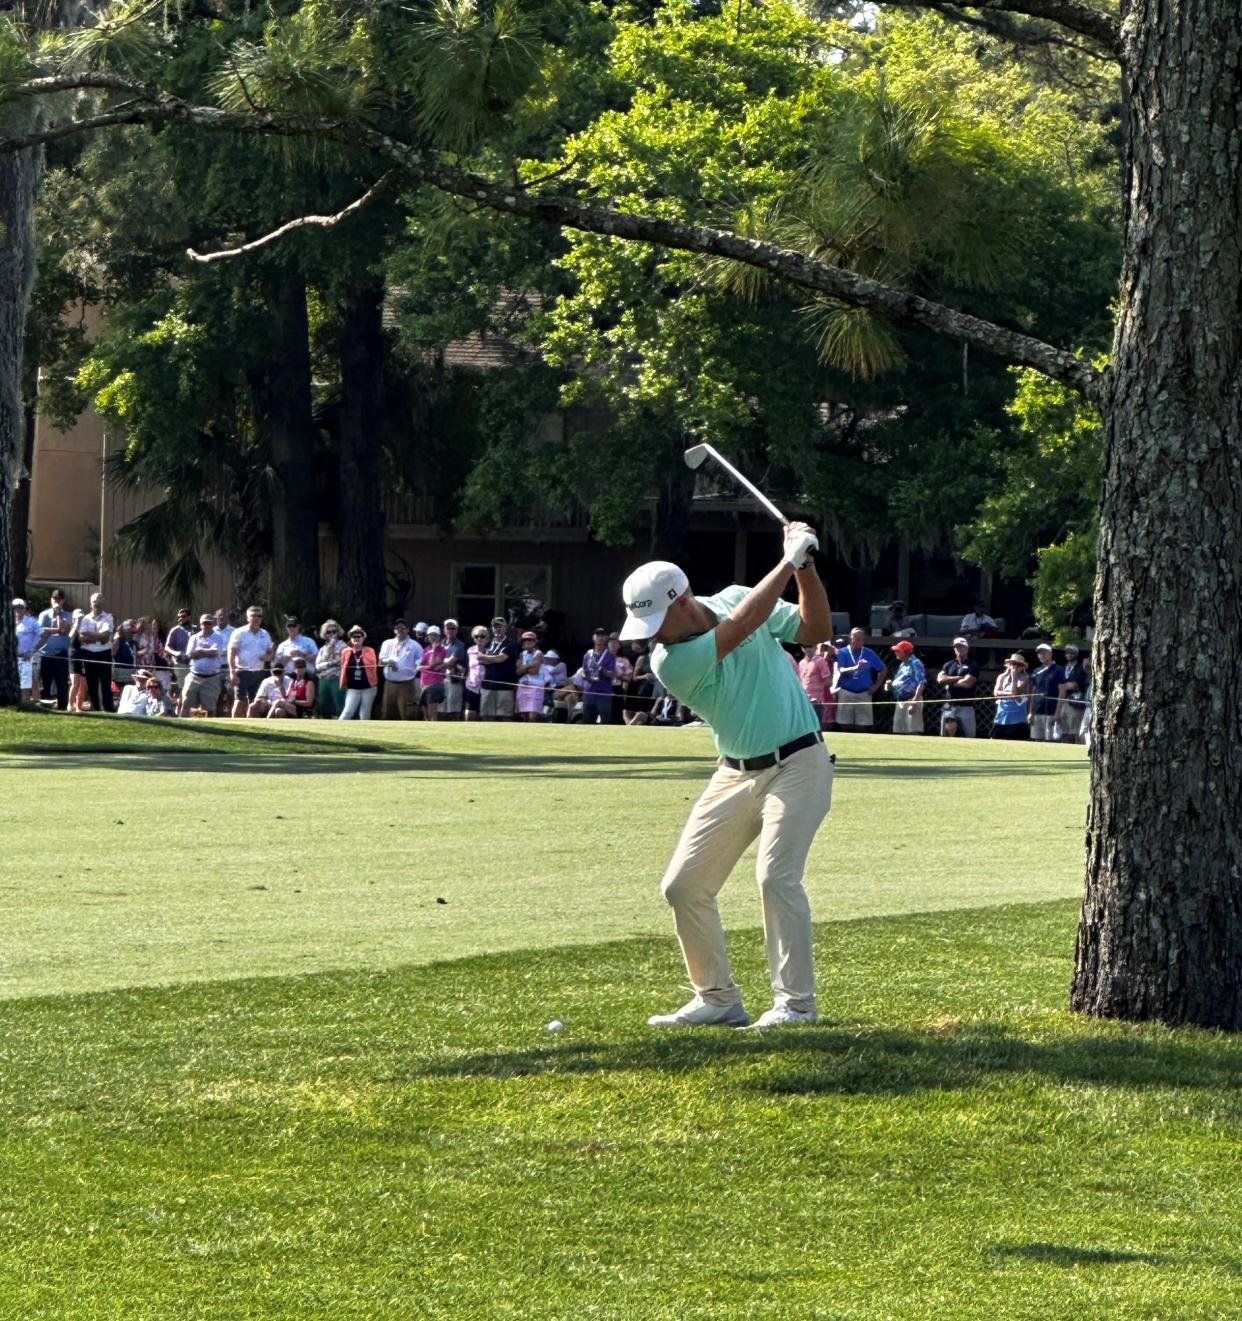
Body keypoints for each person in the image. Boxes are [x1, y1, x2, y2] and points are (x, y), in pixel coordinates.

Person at [619, 520, 833, 1030]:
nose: (651, 637)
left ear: (681, 600)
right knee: (683, 885)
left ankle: (796, 1005)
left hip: (801, 762)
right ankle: (717, 998)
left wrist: (805, 568)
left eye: (655, 622)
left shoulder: (739, 594)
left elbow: (815, 629)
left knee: (775, 876)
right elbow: (738, 626)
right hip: (734, 774)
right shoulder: (670, 661)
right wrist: (786, 559)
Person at [833, 626, 884, 730]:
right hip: (846, 692)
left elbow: (883, 669)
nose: (858, 641)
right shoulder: (842, 652)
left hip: (864, 693)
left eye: (860, 639)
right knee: (845, 724)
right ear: (850, 638)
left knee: (863, 725)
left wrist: (875, 686)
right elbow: (840, 670)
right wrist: (856, 667)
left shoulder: (869, 653)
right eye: (855, 638)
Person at [227, 606, 274, 718]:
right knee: (240, 702)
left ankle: (252, 728)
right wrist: (232, 673)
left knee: (256, 703)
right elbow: (231, 654)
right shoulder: (239, 633)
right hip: (242, 672)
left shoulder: (265, 634)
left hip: (259, 673)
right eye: (253, 615)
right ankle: (234, 728)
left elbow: (271, 653)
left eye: (259, 616)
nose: (256, 618)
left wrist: (268, 657)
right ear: (248, 618)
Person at [181, 613, 226, 716]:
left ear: (212, 624)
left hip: (211, 678)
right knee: (186, 703)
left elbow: (214, 653)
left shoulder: (218, 637)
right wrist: (206, 651)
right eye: (204, 623)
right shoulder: (194, 638)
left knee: (210, 708)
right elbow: (190, 654)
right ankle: (180, 725)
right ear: (201, 624)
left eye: (209, 623)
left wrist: (199, 651)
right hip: (194, 675)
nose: (206, 625)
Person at [77, 592, 116, 713]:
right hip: (88, 654)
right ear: (90, 603)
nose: (97, 604)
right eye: (94, 601)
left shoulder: (108, 617)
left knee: (106, 684)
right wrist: (99, 638)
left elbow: (106, 636)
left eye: (99, 601)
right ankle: (96, 710)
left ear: (103, 602)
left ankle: (109, 710)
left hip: (104, 654)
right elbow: (82, 638)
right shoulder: (85, 619)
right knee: (92, 684)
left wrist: (90, 636)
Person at [380, 620, 423, 720]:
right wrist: (389, 661)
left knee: (407, 714)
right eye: (397, 628)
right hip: (389, 683)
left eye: (403, 628)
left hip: (406, 684)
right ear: (394, 630)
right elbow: (381, 661)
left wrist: (418, 664)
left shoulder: (415, 645)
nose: (400, 630)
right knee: (387, 713)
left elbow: (421, 661)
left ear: (407, 630)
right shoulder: (387, 643)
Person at [937, 637, 980, 737]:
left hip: (966, 705)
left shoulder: (972, 665)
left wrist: (949, 681)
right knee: (946, 736)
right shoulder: (948, 665)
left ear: (967, 648)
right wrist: (958, 678)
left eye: (961, 647)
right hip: (949, 706)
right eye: (956, 647)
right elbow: (940, 679)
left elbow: (967, 683)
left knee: (969, 736)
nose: (959, 649)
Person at [477, 617, 518, 720]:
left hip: (504, 686)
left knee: (504, 717)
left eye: (500, 626)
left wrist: (489, 658)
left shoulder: (511, 644)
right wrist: (494, 658)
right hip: (487, 685)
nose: (497, 629)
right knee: (486, 717)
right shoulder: (487, 643)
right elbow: (480, 660)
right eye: (495, 627)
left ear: (505, 628)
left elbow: (500, 659)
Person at [36, 598, 72, 710]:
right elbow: (40, 632)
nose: (57, 602)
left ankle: (62, 708)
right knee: (45, 684)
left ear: (63, 601)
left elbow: (64, 631)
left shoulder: (68, 615)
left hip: (61, 655)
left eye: (59, 600)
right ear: (51, 600)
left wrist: (58, 615)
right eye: (54, 600)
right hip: (46, 655)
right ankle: (46, 708)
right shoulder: (44, 614)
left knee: (62, 685)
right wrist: (55, 629)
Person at [887, 639, 926, 734]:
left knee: (912, 731)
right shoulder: (902, 664)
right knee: (899, 732)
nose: (895, 652)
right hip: (900, 702)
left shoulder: (915, 663)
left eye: (898, 651)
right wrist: (890, 685)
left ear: (906, 652)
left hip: (911, 700)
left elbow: (921, 683)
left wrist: (914, 703)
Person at [339, 626, 378, 720]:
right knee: (348, 711)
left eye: (359, 636)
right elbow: (342, 668)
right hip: (353, 687)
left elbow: (372, 666)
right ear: (350, 639)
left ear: (363, 638)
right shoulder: (345, 652)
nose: (356, 638)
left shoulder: (369, 650)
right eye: (354, 636)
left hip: (368, 687)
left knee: (365, 713)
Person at [991, 652, 1032, 739]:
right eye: (1013, 664)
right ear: (1009, 665)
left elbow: (1016, 693)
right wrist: (1010, 694)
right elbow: (996, 693)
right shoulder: (1001, 677)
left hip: (1018, 720)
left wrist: (1014, 677)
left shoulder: (1025, 679)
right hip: (1001, 717)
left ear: (1022, 667)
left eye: (1018, 665)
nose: (1015, 667)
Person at [580, 626, 616, 724]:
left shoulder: (610, 656)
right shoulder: (588, 654)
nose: (600, 638)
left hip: (603, 694)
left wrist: (600, 668)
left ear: (605, 638)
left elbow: (612, 674)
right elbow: (583, 671)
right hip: (588, 693)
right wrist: (584, 675)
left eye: (602, 636)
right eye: (597, 635)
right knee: (587, 722)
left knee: (605, 722)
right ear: (593, 637)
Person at [1029, 643, 1064, 741]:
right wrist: (1030, 712)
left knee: (1051, 741)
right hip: (1037, 711)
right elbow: (1033, 692)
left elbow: (1062, 692)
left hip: (1051, 712)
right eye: (1039, 653)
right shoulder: (1036, 671)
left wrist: (1057, 713)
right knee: (1037, 740)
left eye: (1044, 652)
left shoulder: (1059, 670)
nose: (1042, 655)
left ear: (1050, 654)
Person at [1057, 643, 1089, 742]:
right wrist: (1066, 686)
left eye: (1072, 653)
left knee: (1075, 731)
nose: (1069, 655)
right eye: (1067, 652)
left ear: (1076, 654)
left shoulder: (1080, 667)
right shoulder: (1062, 668)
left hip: (1075, 702)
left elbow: (1077, 684)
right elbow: (1059, 685)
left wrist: (1068, 686)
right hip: (1062, 701)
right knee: (1064, 731)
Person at [796, 642, 832, 727]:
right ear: (802, 648)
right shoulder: (801, 663)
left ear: (815, 647)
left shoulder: (820, 661)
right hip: (804, 700)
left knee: (816, 726)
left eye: (810, 646)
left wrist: (817, 689)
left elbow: (828, 681)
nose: (807, 649)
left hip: (816, 700)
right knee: (804, 727)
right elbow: (800, 681)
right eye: (805, 646)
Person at [316, 620, 346, 718]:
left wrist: (326, 664)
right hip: (323, 679)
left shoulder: (343, 646)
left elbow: (341, 662)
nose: (332, 634)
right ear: (325, 633)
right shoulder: (323, 649)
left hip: (337, 678)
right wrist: (330, 663)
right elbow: (317, 666)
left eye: (334, 631)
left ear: (338, 632)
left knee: (339, 705)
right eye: (329, 632)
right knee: (324, 705)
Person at [514, 630, 546, 722]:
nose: (527, 641)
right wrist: (529, 665)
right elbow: (518, 672)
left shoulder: (539, 654)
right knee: (523, 714)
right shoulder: (521, 654)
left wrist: (524, 668)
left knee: (533, 713)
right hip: (522, 686)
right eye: (525, 640)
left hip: (535, 687)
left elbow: (534, 671)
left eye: (530, 640)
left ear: (535, 642)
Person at [418, 625, 448, 720]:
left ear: (439, 637)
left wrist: (434, 650)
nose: (432, 637)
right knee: (425, 712)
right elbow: (421, 665)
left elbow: (432, 664)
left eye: (435, 635)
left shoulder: (442, 650)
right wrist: (425, 667)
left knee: (432, 712)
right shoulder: (426, 649)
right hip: (424, 683)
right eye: (430, 635)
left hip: (434, 683)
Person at [440, 619, 468, 718]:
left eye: (453, 628)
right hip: (441, 679)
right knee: (441, 707)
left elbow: (451, 661)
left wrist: (440, 662)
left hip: (454, 678)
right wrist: (443, 662)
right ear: (444, 629)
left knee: (454, 708)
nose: (450, 630)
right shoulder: (440, 643)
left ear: (456, 630)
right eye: (448, 628)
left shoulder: (460, 645)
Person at [624, 640, 655, 725]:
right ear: (649, 645)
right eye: (653, 644)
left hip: (656, 691)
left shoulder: (660, 658)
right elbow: (634, 678)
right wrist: (644, 676)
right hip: (644, 691)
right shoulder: (642, 658)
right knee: (641, 715)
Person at [13, 599, 40, 699]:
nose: (17, 609)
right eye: (15, 607)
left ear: (24, 609)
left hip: (25, 658)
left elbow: (42, 636)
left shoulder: (31, 622)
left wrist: (31, 652)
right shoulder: (7, 622)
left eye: (20, 607)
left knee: (25, 685)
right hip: (10, 659)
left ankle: (25, 705)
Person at [164, 608, 193, 696]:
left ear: (189, 617)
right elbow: (167, 647)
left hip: (194, 663)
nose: (180, 619)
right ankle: (180, 707)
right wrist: (176, 653)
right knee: (182, 688)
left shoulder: (196, 629)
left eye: (183, 616)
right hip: (180, 663)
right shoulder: (175, 630)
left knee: (192, 688)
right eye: (179, 617)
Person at [464, 625, 489, 721]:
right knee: (469, 713)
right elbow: (467, 667)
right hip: (471, 686)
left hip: (486, 686)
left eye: (482, 636)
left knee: (485, 715)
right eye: (477, 636)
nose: (479, 638)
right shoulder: (469, 651)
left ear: (487, 637)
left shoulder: (491, 650)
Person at [608, 633, 632, 724]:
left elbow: (629, 677)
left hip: (617, 688)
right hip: (603, 688)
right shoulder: (601, 658)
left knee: (617, 713)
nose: (613, 644)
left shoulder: (624, 660)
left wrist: (619, 676)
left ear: (619, 645)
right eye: (610, 642)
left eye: (615, 642)